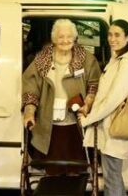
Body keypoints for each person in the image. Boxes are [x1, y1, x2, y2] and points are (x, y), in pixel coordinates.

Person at [21, 19, 101, 174]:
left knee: (76, 168)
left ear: (75, 37)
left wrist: (88, 103)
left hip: (77, 123)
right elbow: (31, 88)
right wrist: (29, 112)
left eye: (69, 36)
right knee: (53, 168)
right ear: (54, 38)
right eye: (61, 37)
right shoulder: (41, 59)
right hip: (49, 123)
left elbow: (94, 85)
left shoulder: (86, 58)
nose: (65, 40)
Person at [81, 19, 128, 196]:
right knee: (113, 177)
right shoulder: (117, 60)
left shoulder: (126, 63)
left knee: (112, 178)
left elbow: (113, 99)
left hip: (114, 127)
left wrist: (88, 119)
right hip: (111, 127)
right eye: (110, 35)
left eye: (117, 35)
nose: (112, 39)